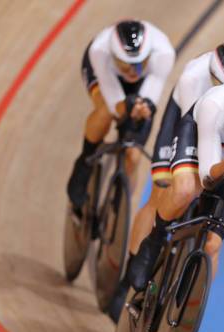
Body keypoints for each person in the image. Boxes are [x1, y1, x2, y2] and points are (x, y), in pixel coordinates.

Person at [109, 82, 224, 322]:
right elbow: (206, 178)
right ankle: (154, 239)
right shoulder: (213, 106)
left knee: (212, 245)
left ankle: (190, 309)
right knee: (185, 189)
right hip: (198, 136)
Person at [127, 43, 224, 277]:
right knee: (164, 192)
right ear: (211, 75)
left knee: (213, 240)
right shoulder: (192, 78)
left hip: (223, 129)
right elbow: (192, 132)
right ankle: (129, 273)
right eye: (221, 84)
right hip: (188, 119)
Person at [66, 19, 175, 215]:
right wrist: (127, 107)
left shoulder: (164, 53)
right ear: (115, 56)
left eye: (138, 64)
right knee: (106, 112)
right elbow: (115, 104)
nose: (132, 71)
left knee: (133, 153)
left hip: (144, 81)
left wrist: (143, 109)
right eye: (125, 65)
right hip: (104, 75)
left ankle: (120, 206)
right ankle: (85, 158)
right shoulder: (100, 51)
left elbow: (150, 99)